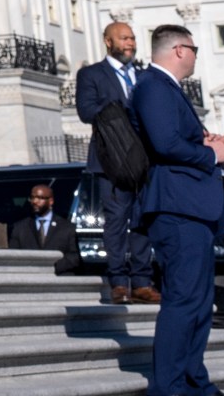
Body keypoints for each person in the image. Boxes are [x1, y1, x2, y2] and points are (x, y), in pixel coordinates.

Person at [133, 24, 224, 396]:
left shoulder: (165, 89)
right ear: (179, 50)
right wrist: (211, 153)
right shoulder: (153, 86)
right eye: (193, 48)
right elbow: (164, 143)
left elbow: (176, 140)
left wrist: (205, 142)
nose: (195, 56)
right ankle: (169, 388)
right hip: (178, 209)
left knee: (199, 304)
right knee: (183, 302)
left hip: (192, 208)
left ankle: (194, 381)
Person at [77, 21, 159, 304]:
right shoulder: (91, 75)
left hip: (144, 161)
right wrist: (124, 108)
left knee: (141, 220)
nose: (130, 43)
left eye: (133, 38)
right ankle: (118, 282)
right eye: (124, 38)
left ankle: (142, 282)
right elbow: (86, 111)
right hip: (111, 160)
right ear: (108, 42)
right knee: (116, 222)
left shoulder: (144, 75)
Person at [8, 182, 82, 275]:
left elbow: (74, 256)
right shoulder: (20, 227)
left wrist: (50, 267)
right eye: (32, 198)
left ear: (51, 201)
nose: (35, 201)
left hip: (59, 279)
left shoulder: (67, 227)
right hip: (29, 278)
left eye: (40, 198)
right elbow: (13, 255)